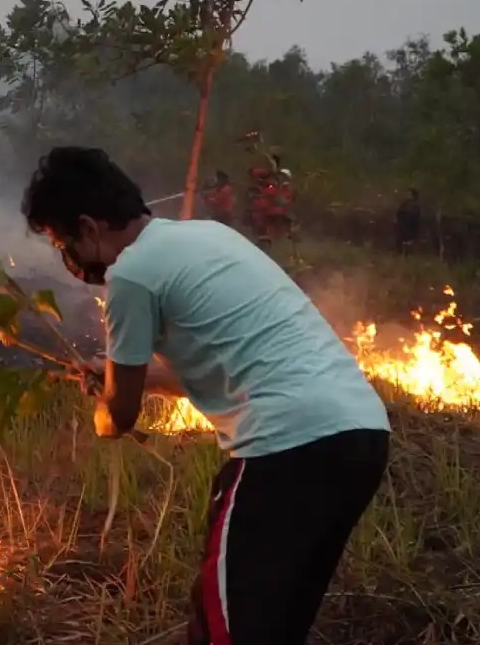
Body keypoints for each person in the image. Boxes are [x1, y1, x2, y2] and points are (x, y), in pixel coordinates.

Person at [21, 147, 391, 645]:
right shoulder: (208, 236)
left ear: (88, 228)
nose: (69, 260)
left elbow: (119, 419)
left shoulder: (131, 275)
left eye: (63, 243)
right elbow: (213, 368)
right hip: (360, 437)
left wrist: (105, 405)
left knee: (225, 633)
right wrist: (123, 375)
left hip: (282, 451)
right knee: (275, 627)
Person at [395, 188, 421, 254]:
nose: (407, 195)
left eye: (409, 194)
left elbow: (415, 217)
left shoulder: (414, 205)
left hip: (408, 226)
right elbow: (399, 213)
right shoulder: (405, 204)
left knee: (407, 240)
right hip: (404, 225)